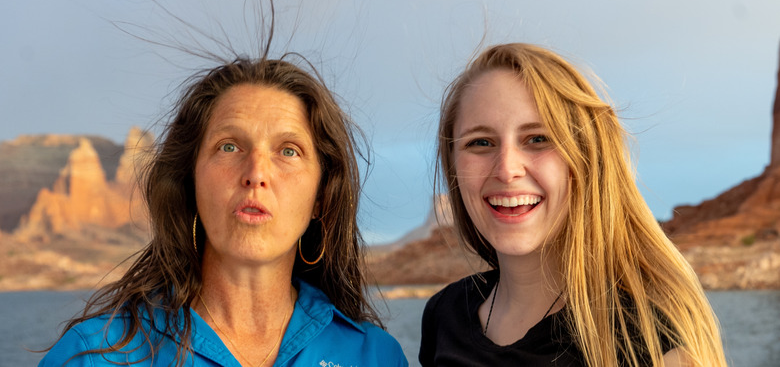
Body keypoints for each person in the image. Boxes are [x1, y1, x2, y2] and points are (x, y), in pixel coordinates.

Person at [40, 52, 408, 366]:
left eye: (288, 151)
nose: (256, 174)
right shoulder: (91, 356)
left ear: (321, 198)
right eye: (229, 147)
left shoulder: (375, 356)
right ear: (190, 181)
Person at [419, 43, 727, 366]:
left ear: (584, 159)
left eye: (538, 138)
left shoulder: (649, 341)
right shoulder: (444, 316)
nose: (507, 169)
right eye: (480, 142)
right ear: (452, 164)